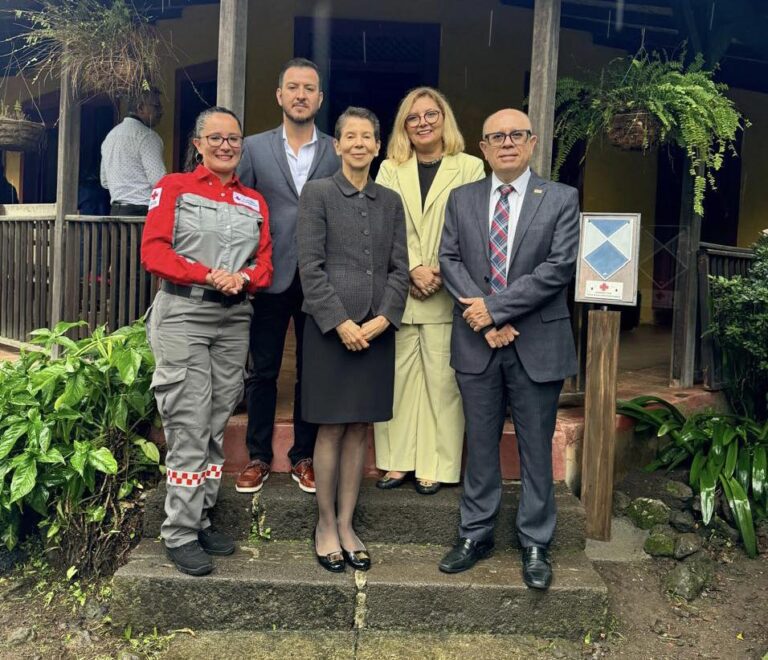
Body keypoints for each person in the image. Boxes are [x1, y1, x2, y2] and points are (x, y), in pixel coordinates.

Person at [437, 109, 579, 590]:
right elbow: (449, 259)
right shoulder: (462, 199)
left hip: (535, 340)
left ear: (532, 142)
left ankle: (536, 541)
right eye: (496, 136)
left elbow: (558, 268)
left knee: (536, 446)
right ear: (483, 147)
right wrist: (484, 319)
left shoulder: (560, 198)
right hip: (478, 343)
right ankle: (475, 534)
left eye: (516, 135)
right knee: (479, 443)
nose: (507, 143)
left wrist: (494, 310)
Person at [140, 107, 273, 576]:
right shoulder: (173, 188)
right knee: (188, 422)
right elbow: (153, 251)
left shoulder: (254, 201)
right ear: (197, 143)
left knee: (215, 422)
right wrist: (207, 275)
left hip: (234, 318)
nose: (225, 145)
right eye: (215, 138)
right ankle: (178, 531)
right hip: (185, 314)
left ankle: (202, 518)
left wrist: (244, 278)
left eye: (233, 138)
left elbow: (265, 262)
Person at [297, 107, 408, 572]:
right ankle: (325, 524)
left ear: (379, 146)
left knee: (361, 426)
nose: (359, 143)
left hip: (376, 330)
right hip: (330, 331)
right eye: (350, 136)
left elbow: (400, 269)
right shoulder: (318, 192)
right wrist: (339, 321)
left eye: (368, 136)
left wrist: (385, 318)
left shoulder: (390, 200)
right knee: (330, 426)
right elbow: (310, 267)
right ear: (337, 145)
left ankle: (347, 523)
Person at [373, 87, 485, 495]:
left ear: (444, 118)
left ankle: (436, 465)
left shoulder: (470, 167)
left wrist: (437, 269)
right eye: (413, 117)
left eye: (430, 114)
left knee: (442, 382)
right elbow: (384, 226)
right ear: (403, 125)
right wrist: (413, 269)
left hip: (447, 289)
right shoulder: (389, 168)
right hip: (401, 290)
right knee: (399, 380)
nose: (422, 122)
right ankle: (396, 461)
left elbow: (472, 226)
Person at [235, 58, 340, 495]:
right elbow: (239, 207)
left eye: (309, 88)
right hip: (269, 274)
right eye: (293, 87)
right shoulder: (254, 148)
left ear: (319, 98)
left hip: (320, 276)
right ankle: (258, 456)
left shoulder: (337, 149)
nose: (301, 94)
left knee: (313, 371)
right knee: (263, 369)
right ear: (279, 95)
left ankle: (304, 456)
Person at [101, 88, 166, 216]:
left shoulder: (110, 136)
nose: (161, 111)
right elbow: (159, 181)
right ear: (140, 108)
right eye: (156, 106)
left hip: (115, 213)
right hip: (141, 214)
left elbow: (104, 181)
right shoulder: (147, 136)